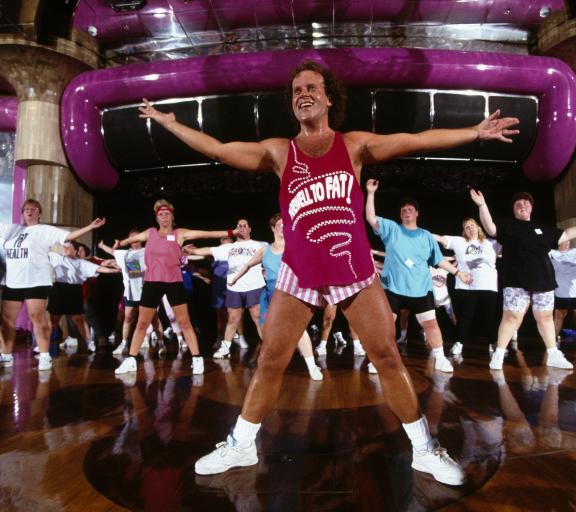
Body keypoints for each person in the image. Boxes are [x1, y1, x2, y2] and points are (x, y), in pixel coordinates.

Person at [139, 59, 518, 484]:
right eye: (297, 89)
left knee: (388, 358)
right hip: (298, 273)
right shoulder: (280, 152)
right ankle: (242, 444)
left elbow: (414, 139)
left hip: (353, 271)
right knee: (270, 360)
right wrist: (168, 123)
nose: (303, 93)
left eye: (311, 88)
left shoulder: (353, 145)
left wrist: (474, 132)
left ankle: (425, 450)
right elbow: (216, 149)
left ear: (328, 97)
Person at [470, 189, 576, 370]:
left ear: (531, 208)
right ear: (513, 209)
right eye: (518, 204)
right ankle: (498, 354)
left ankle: (552, 354)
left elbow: (566, 235)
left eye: (526, 204)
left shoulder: (543, 228)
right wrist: (482, 205)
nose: (522, 206)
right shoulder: (507, 226)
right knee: (511, 318)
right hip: (516, 281)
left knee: (545, 318)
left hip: (543, 281)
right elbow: (490, 227)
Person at [113, 199, 231, 376]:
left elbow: (206, 233)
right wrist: (119, 243)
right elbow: (131, 239)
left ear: (172, 216)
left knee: (184, 322)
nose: (163, 217)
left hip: (174, 282)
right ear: (156, 217)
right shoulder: (150, 233)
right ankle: (131, 359)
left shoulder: (179, 233)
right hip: (152, 283)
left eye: (167, 214)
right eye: (160, 214)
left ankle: (197, 359)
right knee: (142, 323)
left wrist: (231, 231)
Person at [366, 179, 472, 373]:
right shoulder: (391, 229)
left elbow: (438, 260)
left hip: (420, 289)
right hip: (392, 288)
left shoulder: (426, 236)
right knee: (387, 325)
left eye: (410, 209)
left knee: (431, 325)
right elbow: (371, 218)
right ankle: (379, 360)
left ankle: (440, 358)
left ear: (416, 213)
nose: (407, 212)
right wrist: (371, 193)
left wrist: (458, 273)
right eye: (403, 210)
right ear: (400, 215)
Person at [0, 199, 105, 371]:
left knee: (38, 319)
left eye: (34, 209)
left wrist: (90, 227)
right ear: (22, 212)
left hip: (35, 281)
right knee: (6, 321)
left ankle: (44, 356)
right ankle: (6, 355)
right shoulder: (12, 229)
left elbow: (68, 237)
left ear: (39, 213)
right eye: (26, 209)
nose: (30, 212)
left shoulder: (44, 230)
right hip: (12, 281)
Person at [229, 213, 323, 380]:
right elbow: (248, 264)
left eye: (285, 225)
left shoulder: (293, 246)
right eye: (279, 225)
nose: (282, 227)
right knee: (267, 333)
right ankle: (270, 365)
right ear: (273, 228)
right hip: (270, 297)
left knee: (299, 329)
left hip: (290, 295)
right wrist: (235, 278)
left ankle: (312, 366)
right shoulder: (265, 250)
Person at [186, 218, 267, 358]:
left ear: (249, 229)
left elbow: (276, 254)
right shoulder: (229, 247)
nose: (242, 227)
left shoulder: (261, 245)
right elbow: (208, 250)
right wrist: (191, 251)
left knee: (258, 317)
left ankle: (268, 347)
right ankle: (225, 348)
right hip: (234, 288)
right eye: (239, 225)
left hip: (255, 287)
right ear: (235, 230)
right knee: (232, 319)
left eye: (244, 225)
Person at [433, 218, 501, 359]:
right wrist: (420, 233)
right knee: (465, 317)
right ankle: (459, 343)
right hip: (466, 287)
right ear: (464, 231)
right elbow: (440, 238)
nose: (469, 228)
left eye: (472, 225)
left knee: (489, 317)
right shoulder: (459, 241)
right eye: (466, 227)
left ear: (478, 227)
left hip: (488, 286)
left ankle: (492, 343)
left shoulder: (492, 243)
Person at [48, 241, 121, 353]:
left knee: (79, 320)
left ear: (75, 251)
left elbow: (100, 269)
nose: (66, 249)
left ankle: (89, 342)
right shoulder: (56, 257)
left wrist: (116, 270)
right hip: (58, 289)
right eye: (65, 247)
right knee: (53, 320)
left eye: (69, 247)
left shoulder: (82, 263)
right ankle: (43, 344)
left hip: (74, 290)